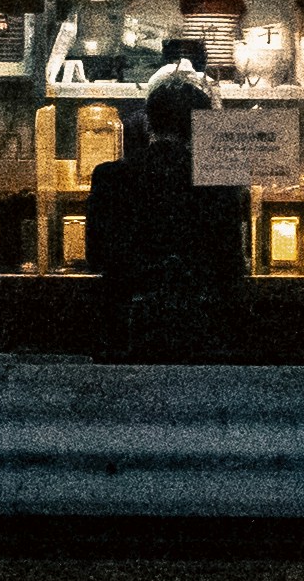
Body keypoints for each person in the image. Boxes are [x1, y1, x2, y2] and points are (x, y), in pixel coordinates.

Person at [82, 61, 249, 362]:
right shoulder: (220, 183)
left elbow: (96, 256)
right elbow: (231, 265)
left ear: (147, 122)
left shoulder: (110, 176)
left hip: (127, 328)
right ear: (201, 128)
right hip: (200, 331)